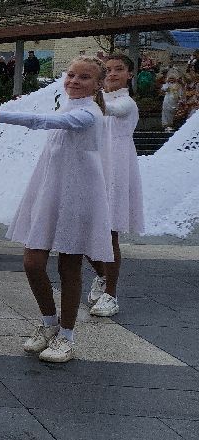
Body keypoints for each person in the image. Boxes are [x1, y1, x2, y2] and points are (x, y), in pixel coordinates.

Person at [0, 57, 111, 364]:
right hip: (51, 187)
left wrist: (0, 115)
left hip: (78, 191)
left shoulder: (89, 114)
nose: (74, 81)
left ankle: (66, 336)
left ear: (97, 84)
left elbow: (47, 122)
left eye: (84, 78)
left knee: (69, 266)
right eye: (71, 75)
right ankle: (49, 322)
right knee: (32, 261)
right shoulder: (69, 105)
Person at [87, 55, 145, 318]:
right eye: (107, 70)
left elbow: (113, 109)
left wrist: (89, 88)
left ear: (130, 74)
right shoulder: (95, 100)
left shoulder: (126, 102)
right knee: (80, 231)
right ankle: (102, 274)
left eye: (118, 70)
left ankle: (111, 293)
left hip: (117, 169)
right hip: (94, 165)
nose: (112, 74)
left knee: (110, 234)